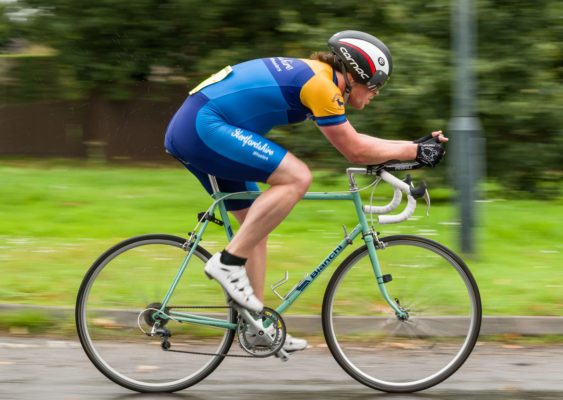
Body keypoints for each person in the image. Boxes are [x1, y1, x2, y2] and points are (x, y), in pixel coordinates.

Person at [164, 30, 447, 352]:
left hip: (199, 126)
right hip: (204, 127)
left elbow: (356, 142)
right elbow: (355, 150)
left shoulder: (319, 77)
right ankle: (227, 263)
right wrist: (414, 151)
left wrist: (412, 147)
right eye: (375, 85)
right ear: (356, 74)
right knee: (297, 177)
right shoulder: (323, 87)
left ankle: (256, 328)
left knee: (256, 225)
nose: (376, 93)